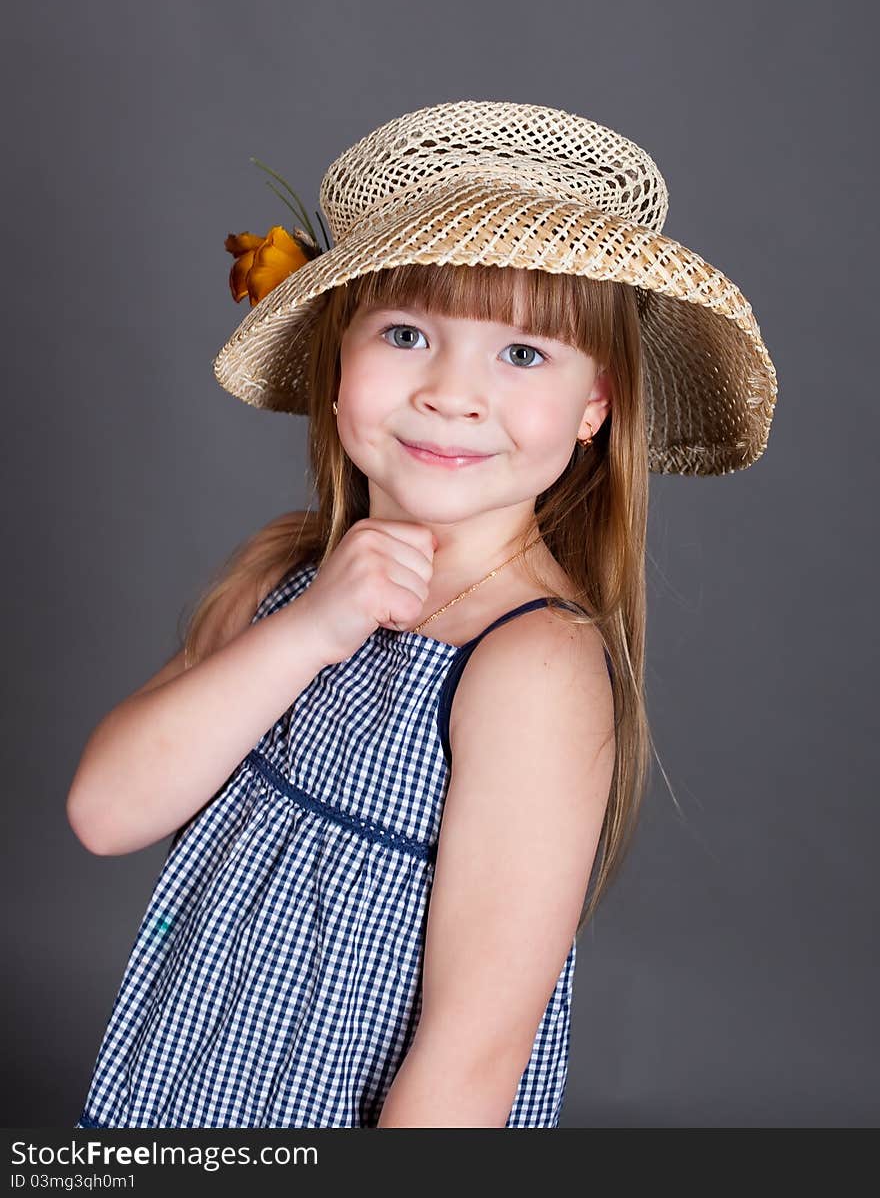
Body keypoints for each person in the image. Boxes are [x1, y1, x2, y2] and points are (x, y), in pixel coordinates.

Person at [67, 99, 778, 1129]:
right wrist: (312, 626)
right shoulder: (292, 572)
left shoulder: (531, 663)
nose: (452, 391)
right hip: (182, 1100)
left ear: (596, 405)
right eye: (407, 333)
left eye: (523, 354)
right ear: (338, 356)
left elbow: (473, 1050)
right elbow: (106, 808)